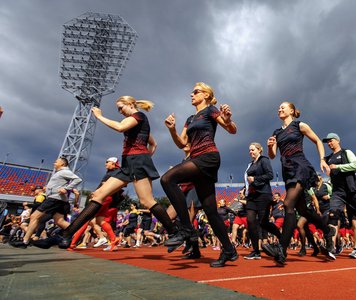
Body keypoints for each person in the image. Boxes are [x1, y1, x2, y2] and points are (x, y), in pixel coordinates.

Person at [58, 96, 177, 249]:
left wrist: (99, 116)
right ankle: (68, 234)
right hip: (128, 164)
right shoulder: (136, 124)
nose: (120, 112)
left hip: (137, 161)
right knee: (98, 195)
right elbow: (153, 144)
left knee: (147, 201)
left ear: (130, 104)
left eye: (121, 108)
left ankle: (174, 231)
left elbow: (120, 127)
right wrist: (145, 156)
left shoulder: (139, 116)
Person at [161, 82, 238, 268]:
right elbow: (182, 144)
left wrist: (228, 118)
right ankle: (229, 249)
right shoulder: (190, 118)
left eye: (195, 92)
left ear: (205, 95)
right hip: (196, 159)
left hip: (208, 158)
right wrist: (172, 129)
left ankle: (187, 229)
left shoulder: (211, 110)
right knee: (211, 211)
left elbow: (232, 129)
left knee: (167, 179)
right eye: (192, 92)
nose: (191, 94)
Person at [262, 101, 335, 265]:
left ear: (292, 111)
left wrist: (322, 159)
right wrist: (269, 147)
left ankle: (282, 250)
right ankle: (327, 230)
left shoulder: (299, 125)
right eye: (278, 107)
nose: (279, 108)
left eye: (283, 106)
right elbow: (273, 155)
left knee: (288, 204)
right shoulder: (276, 132)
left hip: (300, 167)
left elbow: (317, 140)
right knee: (303, 209)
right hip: (287, 171)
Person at [323, 133, 356, 260]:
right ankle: (331, 247)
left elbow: (355, 165)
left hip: (351, 190)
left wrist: (338, 167)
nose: (329, 144)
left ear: (337, 141)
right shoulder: (329, 158)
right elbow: (323, 161)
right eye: (327, 142)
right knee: (333, 215)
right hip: (337, 192)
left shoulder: (346, 152)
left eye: (331, 141)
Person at [10, 157, 82, 248]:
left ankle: (25, 241)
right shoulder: (60, 172)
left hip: (54, 199)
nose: (54, 163)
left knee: (34, 216)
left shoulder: (65, 171)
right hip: (58, 199)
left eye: (56, 162)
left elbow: (78, 179)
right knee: (60, 221)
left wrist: (66, 188)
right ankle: (77, 234)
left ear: (63, 164)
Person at [243, 142, 282, 259]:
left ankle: (281, 237)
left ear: (259, 150)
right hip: (251, 196)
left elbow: (270, 175)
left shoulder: (264, 160)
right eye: (249, 150)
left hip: (263, 195)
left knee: (263, 223)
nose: (251, 152)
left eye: (253, 150)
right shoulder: (250, 164)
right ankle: (256, 251)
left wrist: (255, 179)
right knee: (250, 221)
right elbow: (248, 181)